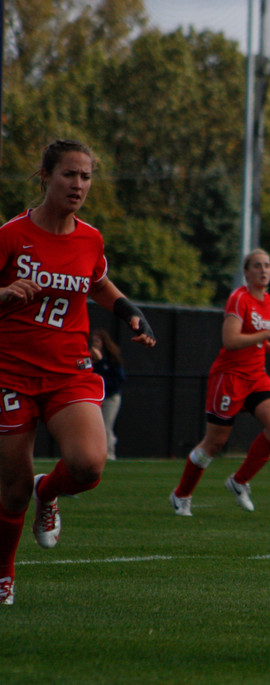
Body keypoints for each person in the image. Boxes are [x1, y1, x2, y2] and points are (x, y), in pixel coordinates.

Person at [0, 139, 156, 605]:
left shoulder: (89, 237)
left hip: (68, 371)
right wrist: (5, 295)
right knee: (11, 492)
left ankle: (48, 494)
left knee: (88, 466)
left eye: (86, 176)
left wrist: (128, 309)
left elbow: (98, 281)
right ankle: (4, 573)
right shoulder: (10, 235)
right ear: (45, 176)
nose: (79, 184)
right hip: (10, 373)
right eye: (69, 174)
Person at [169, 248, 270, 516]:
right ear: (246, 272)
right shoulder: (239, 299)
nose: (264, 270)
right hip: (230, 377)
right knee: (214, 443)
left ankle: (239, 481)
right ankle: (181, 495)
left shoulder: (266, 300)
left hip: (256, 376)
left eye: (267, 265)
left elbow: (255, 334)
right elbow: (231, 341)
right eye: (257, 266)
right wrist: (269, 333)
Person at [90, 329, 126, 461]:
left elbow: (118, 379)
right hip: (96, 398)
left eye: (97, 341)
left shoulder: (111, 359)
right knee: (95, 428)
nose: (95, 344)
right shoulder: (90, 359)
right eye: (93, 341)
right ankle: (97, 455)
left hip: (110, 398)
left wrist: (100, 362)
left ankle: (109, 455)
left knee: (106, 426)